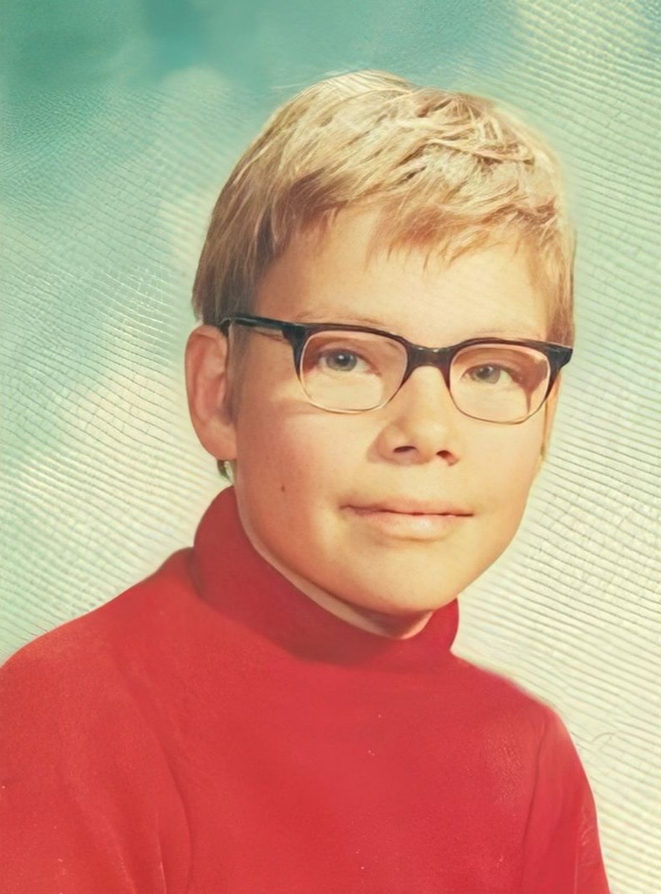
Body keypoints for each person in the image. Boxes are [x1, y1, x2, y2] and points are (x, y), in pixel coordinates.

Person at [0, 71, 610, 892]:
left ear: (547, 417)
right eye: (345, 357)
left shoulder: (526, 758)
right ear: (220, 394)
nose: (427, 432)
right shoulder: (68, 720)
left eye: (492, 370)